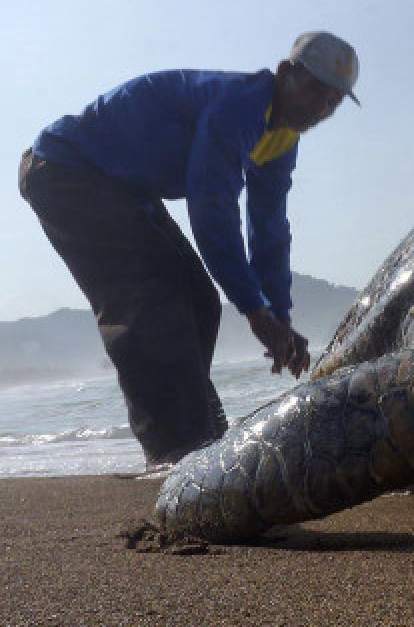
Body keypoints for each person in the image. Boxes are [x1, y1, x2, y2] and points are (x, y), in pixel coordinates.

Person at [17, 31, 360, 470]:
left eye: (332, 100)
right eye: (313, 89)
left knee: (199, 298)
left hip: (122, 187)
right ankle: (174, 451)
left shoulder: (282, 139)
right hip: (66, 171)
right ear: (284, 73)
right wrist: (255, 313)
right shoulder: (238, 107)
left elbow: (269, 228)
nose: (319, 107)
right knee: (152, 297)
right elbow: (212, 210)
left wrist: (279, 313)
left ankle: (201, 432)